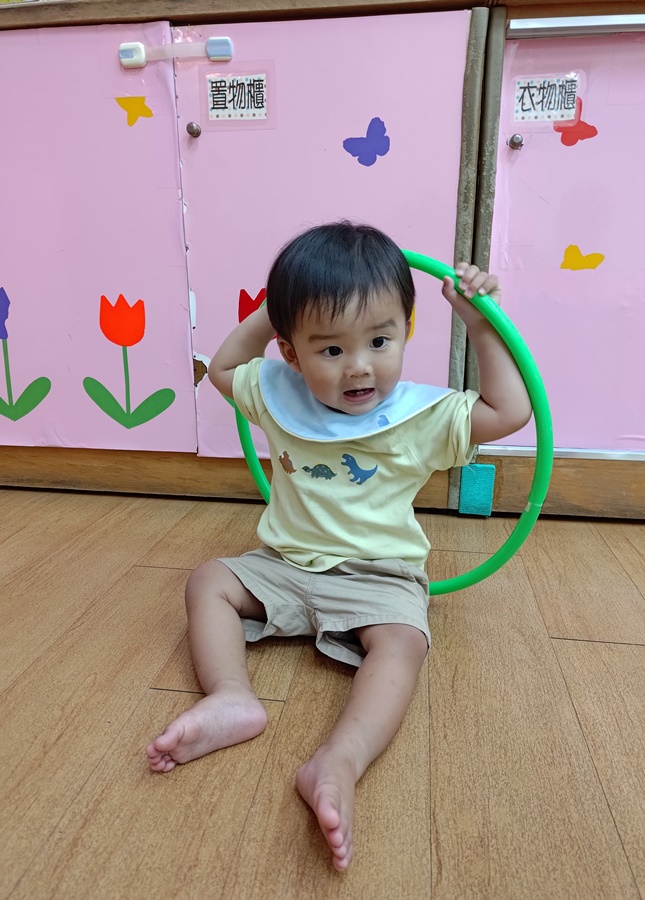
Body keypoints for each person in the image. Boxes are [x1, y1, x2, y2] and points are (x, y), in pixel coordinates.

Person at [146, 222, 531, 870]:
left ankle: (340, 759)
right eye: (329, 347)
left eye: (379, 340)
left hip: (379, 576)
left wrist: (479, 323)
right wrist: (277, 309)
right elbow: (222, 368)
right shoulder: (278, 393)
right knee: (208, 580)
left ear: (406, 330)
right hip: (283, 564)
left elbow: (509, 410)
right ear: (290, 352)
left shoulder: (419, 417)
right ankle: (230, 696)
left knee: (403, 642)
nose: (358, 365)